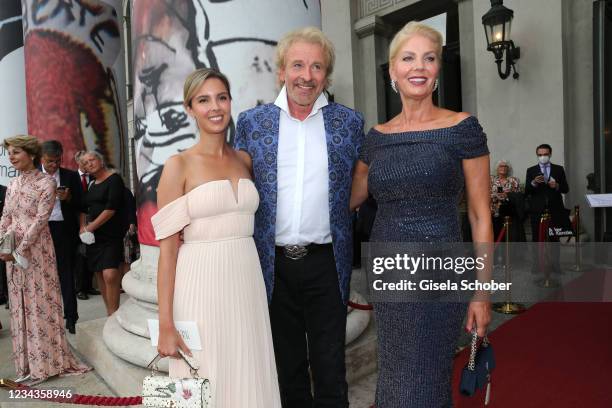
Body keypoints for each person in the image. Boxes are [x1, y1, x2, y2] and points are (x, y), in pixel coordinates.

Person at [350, 22, 492, 407]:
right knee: (395, 374)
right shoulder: (376, 138)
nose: (419, 66)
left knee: (425, 378)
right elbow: (348, 200)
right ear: (393, 69)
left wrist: (482, 291)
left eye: (429, 58)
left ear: (437, 69)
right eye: (409, 58)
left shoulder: (462, 128)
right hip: (389, 272)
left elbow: (480, 216)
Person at [235, 27, 364, 408]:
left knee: (330, 366)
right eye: (297, 65)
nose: (306, 76)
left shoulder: (349, 122)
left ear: (327, 75)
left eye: (317, 67)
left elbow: (361, 183)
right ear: (280, 71)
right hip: (271, 266)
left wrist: (337, 216)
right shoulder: (252, 122)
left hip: (327, 264)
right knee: (285, 366)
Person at [153, 68, 281, 407]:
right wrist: (166, 323)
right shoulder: (177, 165)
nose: (215, 107)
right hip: (199, 285)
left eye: (221, 98)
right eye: (204, 100)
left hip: (246, 282)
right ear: (189, 109)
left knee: (248, 369)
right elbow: (167, 255)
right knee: (201, 377)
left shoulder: (244, 160)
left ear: (230, 102)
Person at [0, 135, 90, 384]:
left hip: (37, 251)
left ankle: (45, 365)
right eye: (10, 153)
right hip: (13, 252)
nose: (11, 157)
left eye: (16, 152)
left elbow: (41, 220)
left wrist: (21, 248)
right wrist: (4, 245)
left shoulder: (47, 183)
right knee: (19, 305)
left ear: (31, 154)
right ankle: (26, 366)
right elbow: (5, 217)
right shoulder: (13, 184)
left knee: (40, 303)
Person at [40, 140, 81, 334]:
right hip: (40, 231)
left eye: (57, 161)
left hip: (64, 230)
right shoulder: (33, 176)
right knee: (43, 275)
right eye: (50, 161)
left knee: (66, 273)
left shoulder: (70, 176)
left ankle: (71, 317)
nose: (54, 165)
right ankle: (46, 317)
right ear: (41, 158)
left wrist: (69, 198)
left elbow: (82, 204)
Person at [80, 151, 125, 315]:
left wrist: (90, 227)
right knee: (99, 273)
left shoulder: (114, 179)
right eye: (85, 163)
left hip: (111, 235)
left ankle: (114, 313)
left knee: (110, 274)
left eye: (91, 160)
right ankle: (110, 313)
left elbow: (111, 208)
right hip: (94, 238)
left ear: (101, 160)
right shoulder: (91, 184)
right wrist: (82, 226)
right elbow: (84, 209)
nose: (89, 164)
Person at [524, 144, 569, 274]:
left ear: (550, 154)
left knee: (554, 238)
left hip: (555, 208)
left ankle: (556, 265)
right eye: (540, 154)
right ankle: (536, 265)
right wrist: (533, 183)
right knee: (536, 238)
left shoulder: (559, 169)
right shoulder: (531, 170)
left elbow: (566, 189)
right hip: (537, 209)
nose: (542, 156)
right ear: (537, 155)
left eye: (545, 154)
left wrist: (556, 185)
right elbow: (526, 191)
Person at [74, 150, 99, 300]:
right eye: (83, 162)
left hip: (94, 219)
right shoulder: (72, 177)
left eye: (88, 161)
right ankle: (80, 289)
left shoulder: (94, 177)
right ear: (78, 162)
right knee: (80, 255)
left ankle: (89, 286)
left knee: (91, 252)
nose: (86, 164)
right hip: (78, 220)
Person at [490, 160, 522, 240]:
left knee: (508, 237)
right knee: (495, 236)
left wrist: (507, 196)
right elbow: (485, 194)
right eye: (501, 166)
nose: (503, 168)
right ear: (497, 168)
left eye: (505, 166)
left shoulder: (514, 180)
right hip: (493, 213)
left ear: (508, 169)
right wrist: (496, 195)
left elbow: (518, 196)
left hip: (509, 213)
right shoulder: (491, 179)